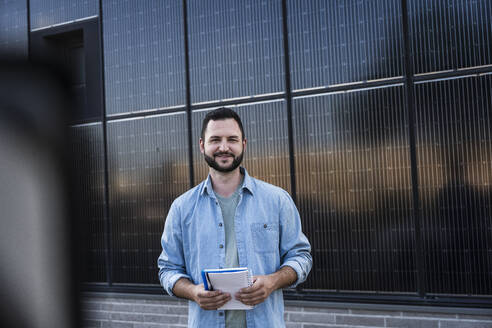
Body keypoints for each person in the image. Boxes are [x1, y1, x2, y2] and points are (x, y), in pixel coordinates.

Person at [158, 107, 312, 327]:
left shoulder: (277, 200)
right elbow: (167, 269)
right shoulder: (182, 208)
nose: (223, 147)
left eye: (232, 139)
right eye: (215, 140)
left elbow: (301, 256)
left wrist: (272, 281)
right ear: (202, 146)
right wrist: (192, 291)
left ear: (244, 144)